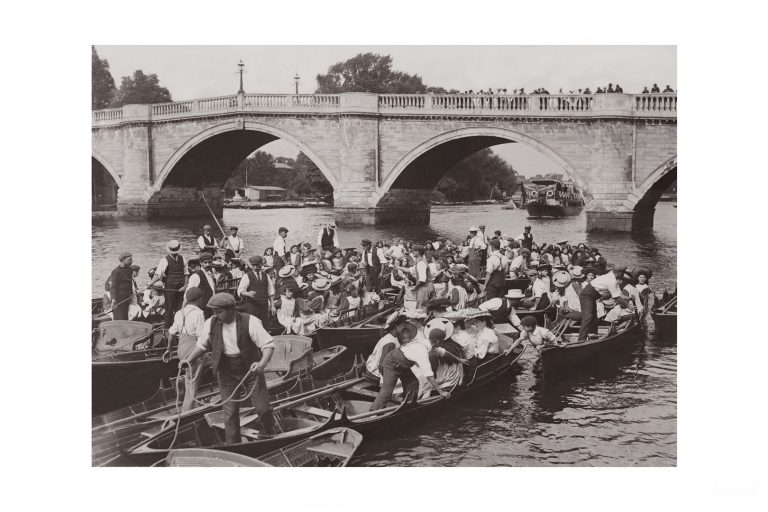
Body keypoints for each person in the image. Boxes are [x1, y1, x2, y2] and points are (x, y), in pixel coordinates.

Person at [180, 293, 277, 444]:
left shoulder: (250, 321)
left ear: (231, 309)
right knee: (230, 412)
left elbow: (268, 345)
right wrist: (188, 359)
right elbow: (202, 345)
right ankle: (233, 444)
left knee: (262, 408)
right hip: (226, 370)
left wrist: (262, 363)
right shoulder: (210, 323)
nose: (216, 315)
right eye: (213, 312)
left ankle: (268, 431)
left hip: (250, 369)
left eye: (219, 312)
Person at [370, 320, 450, 411]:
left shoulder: (425, 342)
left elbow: (440, 351)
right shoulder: (422, 351)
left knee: (413, 383)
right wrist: (441, 392)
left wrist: (460, 360)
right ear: (438, 341)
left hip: (402, 364)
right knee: (387, 391)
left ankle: (408, 406)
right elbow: (429, 375)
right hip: (391, 363)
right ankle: (373, 411)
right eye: (442, 342)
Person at [167, 288, 209, 412]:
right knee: (193, 383)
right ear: (199, 299)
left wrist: (169, 349)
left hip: (181, 347)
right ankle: (187, 411)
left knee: (190, 375)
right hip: (193, 347)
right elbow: (202, 337)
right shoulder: (199, 313)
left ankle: (182, 389)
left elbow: (171, 332)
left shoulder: (179, 312)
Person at [577, 265, 632, 341]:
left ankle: (593, 334)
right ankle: (581, 339)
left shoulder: (612, 277)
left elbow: (619, 294)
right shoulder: (611, 280)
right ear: (620, 273)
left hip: (592, 296)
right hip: (586, 295)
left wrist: (628, 298)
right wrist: (628, 306)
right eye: (623, 273)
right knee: (588, 317)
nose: (623, 276)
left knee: (594, 316)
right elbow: (616, 297)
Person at [149, 240, 188, 329]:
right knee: (169, 309)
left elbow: (186, 274)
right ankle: (167, 329)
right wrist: (151, 283)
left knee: (180, 309)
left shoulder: (183, 259)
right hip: (170, 287)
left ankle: (178, 328)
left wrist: (185, 286)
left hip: (181, 287)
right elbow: (158, 275)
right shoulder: (165, 260)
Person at [238, 255, 276, 324]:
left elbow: (270, 292)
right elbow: (240, 291)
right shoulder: (246, 276)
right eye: (253, 265)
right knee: (253, 326)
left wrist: (272, 305)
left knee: (264, 326)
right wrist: (247, 293)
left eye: (258, 265)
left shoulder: (266, 275)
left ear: (262, 264)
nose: (255, 267)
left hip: (264, 306)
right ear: (250, 265)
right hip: (252, 307)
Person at [185, 252, 216, 317]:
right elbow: (188, 294)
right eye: (205, 263)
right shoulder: (196, 276)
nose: (207, 264)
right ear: (201, 263)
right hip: (200, 310)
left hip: (210, 308)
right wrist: (184, 310)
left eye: (209, 262)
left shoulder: (211, 275)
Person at [109, 251, 135, 321]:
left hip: (127, 298)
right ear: (123, 260)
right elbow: (113, 287)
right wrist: (113, 299)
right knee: (119, 319)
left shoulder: (129, 269)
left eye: (131, 259)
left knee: (125, 318)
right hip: (118, 300)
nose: (132, 261)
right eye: (130, 259)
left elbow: (129, 284)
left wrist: (131, 295)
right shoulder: (116, 272)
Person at [412, 245, 435, 312]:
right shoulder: (421, 261)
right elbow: (411, 269)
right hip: (428, 286)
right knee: (425, 307)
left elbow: (422, 279)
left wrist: (415, 288)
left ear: (418, 252)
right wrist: (398, 267)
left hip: (424, 288)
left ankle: (421, 321)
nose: (412, 252)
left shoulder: (421, 263)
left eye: (414, 250)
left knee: (421, 309)